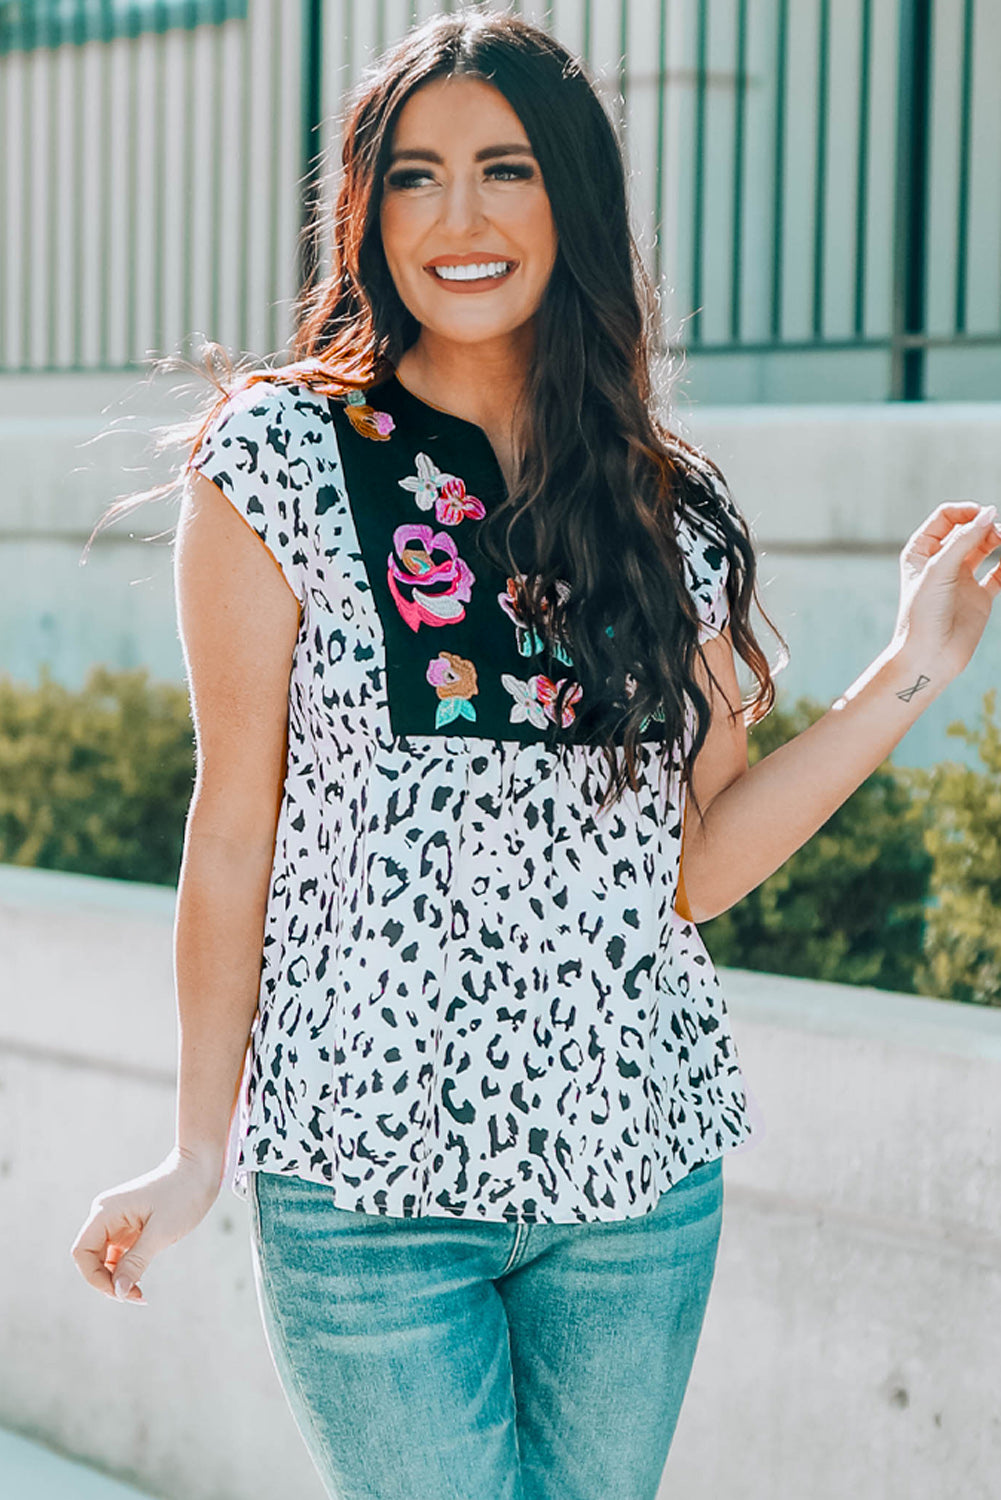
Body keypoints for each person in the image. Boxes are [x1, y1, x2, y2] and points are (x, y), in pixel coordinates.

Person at [70, 8, 1001, 1500]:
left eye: (503, 169)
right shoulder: (279, 459)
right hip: (365, 1179)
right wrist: (197, 1146)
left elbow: (698, 867)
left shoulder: (663, 506)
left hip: (635, 1174)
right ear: (366, 212)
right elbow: (233, 828)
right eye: (414, 175)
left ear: (570, 198)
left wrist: (914, 668)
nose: (460, 217)